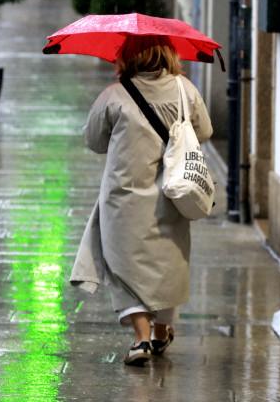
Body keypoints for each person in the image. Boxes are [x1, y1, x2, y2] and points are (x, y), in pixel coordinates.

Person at [70, 35, 213, 366]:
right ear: (167, 53)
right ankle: (162, 331)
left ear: (128, 57)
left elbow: (93, 141)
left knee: (124, 267)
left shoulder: (114, 96)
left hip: (124, 198)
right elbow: (204, 132)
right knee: (167, 263)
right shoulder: (185, 90)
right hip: (172, 194)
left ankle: (142, 338)